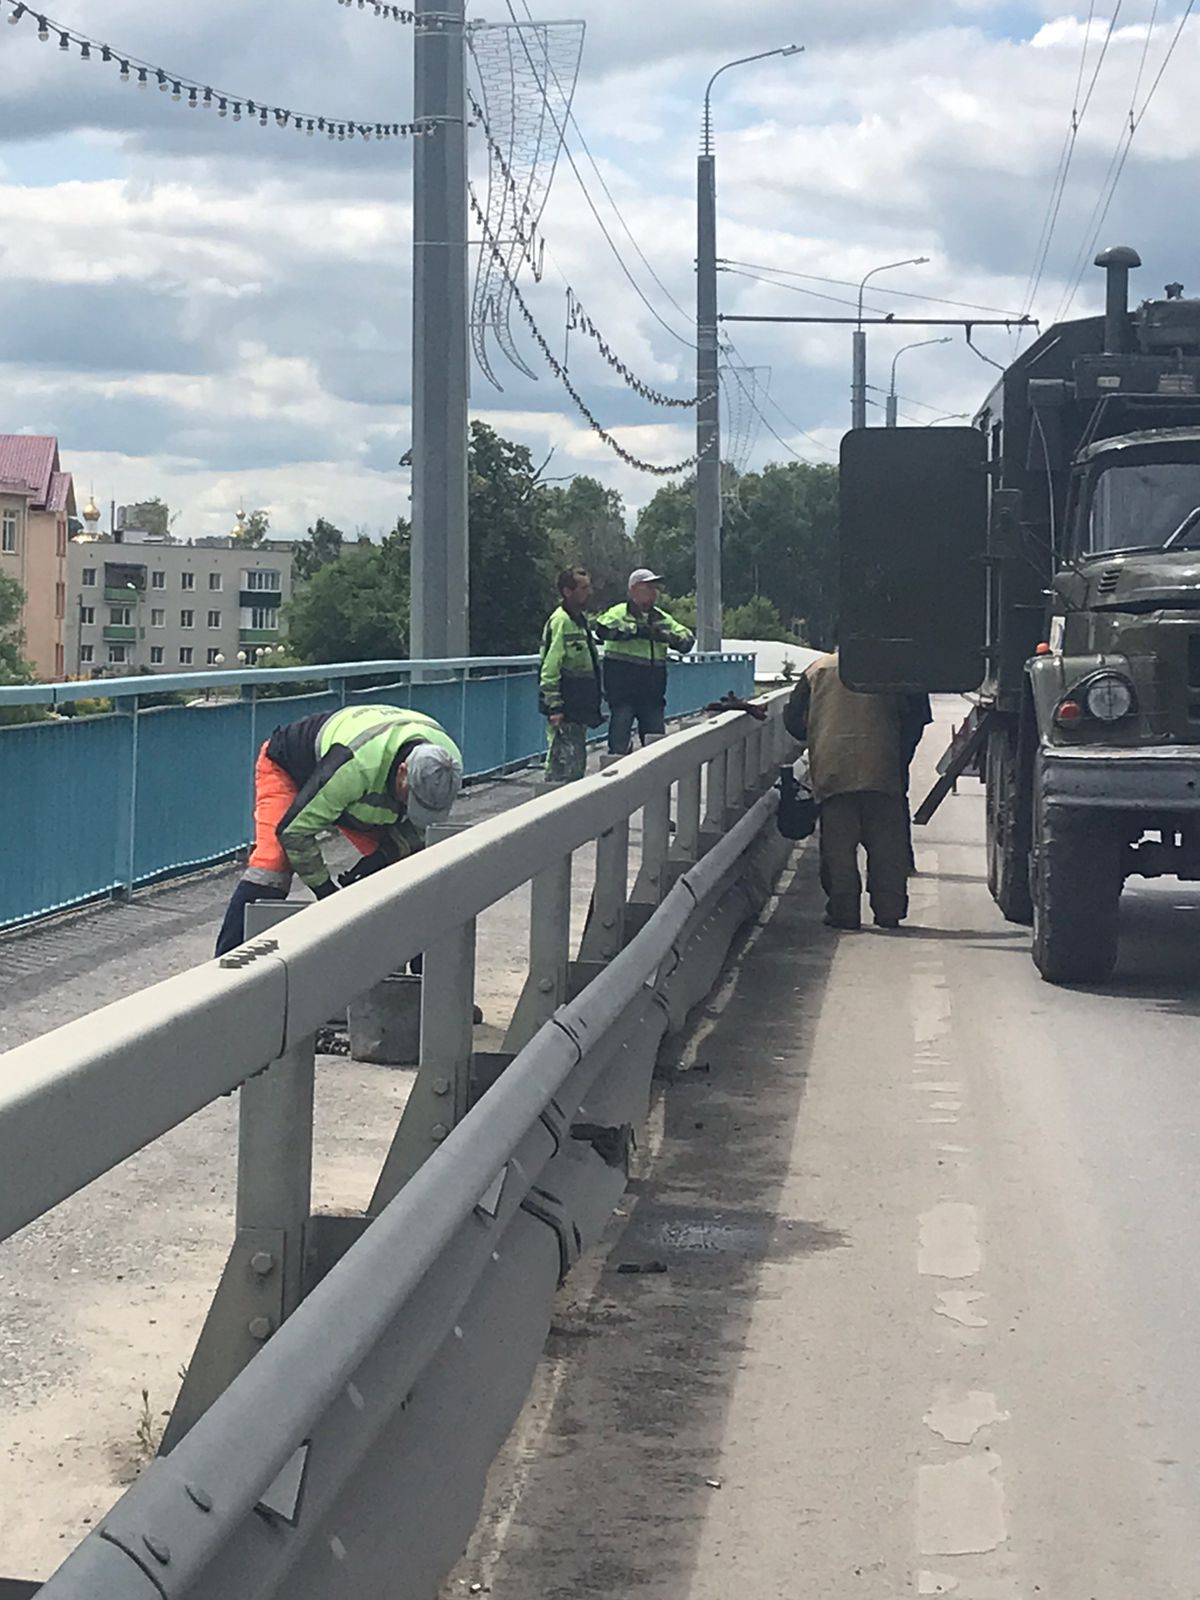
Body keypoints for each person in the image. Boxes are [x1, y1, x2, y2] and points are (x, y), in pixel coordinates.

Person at [215, 704, 463, 956]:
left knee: (411, 869)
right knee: (272, 866)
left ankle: (417, 971)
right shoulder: (354, 766)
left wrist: (384, 855)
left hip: (359, 796)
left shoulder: (446, 766)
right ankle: (225, 971)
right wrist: (327, 893)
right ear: (403, 771)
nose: (412, 808)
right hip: (292, 768)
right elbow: (295, 832)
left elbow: (419, 829)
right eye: (411, 799)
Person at [784, 650, 912, 931]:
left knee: (838, 849)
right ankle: (888, 911)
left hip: (833, 769)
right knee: (887, 846)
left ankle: (844, 913)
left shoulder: (816, 670)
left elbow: (794, 722)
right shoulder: (890, 669)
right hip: (881, 767)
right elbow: (913, 720)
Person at [594, 568, 695, 756]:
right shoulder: (618, 612)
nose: (654, 591)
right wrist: (638, 631)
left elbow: (687, 640)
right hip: (622, 695)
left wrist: (666, 637)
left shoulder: (661, 618)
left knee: (657, 751)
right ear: (633, 589)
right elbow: (602, 629)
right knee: (618, 749)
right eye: (648, 587)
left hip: (652, 696)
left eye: (655, 587)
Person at [540, 566, 603, 784]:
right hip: (566, 709)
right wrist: (554, 706)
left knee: (575, 768)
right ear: (568, 591)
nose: (589, 592)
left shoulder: (580, 621)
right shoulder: (561, 621)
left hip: (579, 709)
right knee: (562, 768)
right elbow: (550, 668)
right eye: (583, 587)